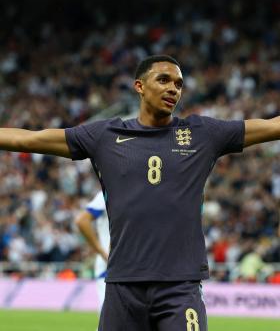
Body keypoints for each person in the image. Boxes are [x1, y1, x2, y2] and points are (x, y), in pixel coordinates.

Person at [1, 54, 280, 330]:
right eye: (163, 80)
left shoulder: (202, 133)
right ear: (139, 86)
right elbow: (29, 138)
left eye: (179, 84)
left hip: (180, 287)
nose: (173, 88)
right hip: (123, 287)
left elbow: (271, 126)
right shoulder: (104, 136)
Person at [75, 190, 109, 310]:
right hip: (109, 265)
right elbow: (82, 221)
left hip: (126, 265)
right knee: (110, 320)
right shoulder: (107, 193)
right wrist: (102, 252)